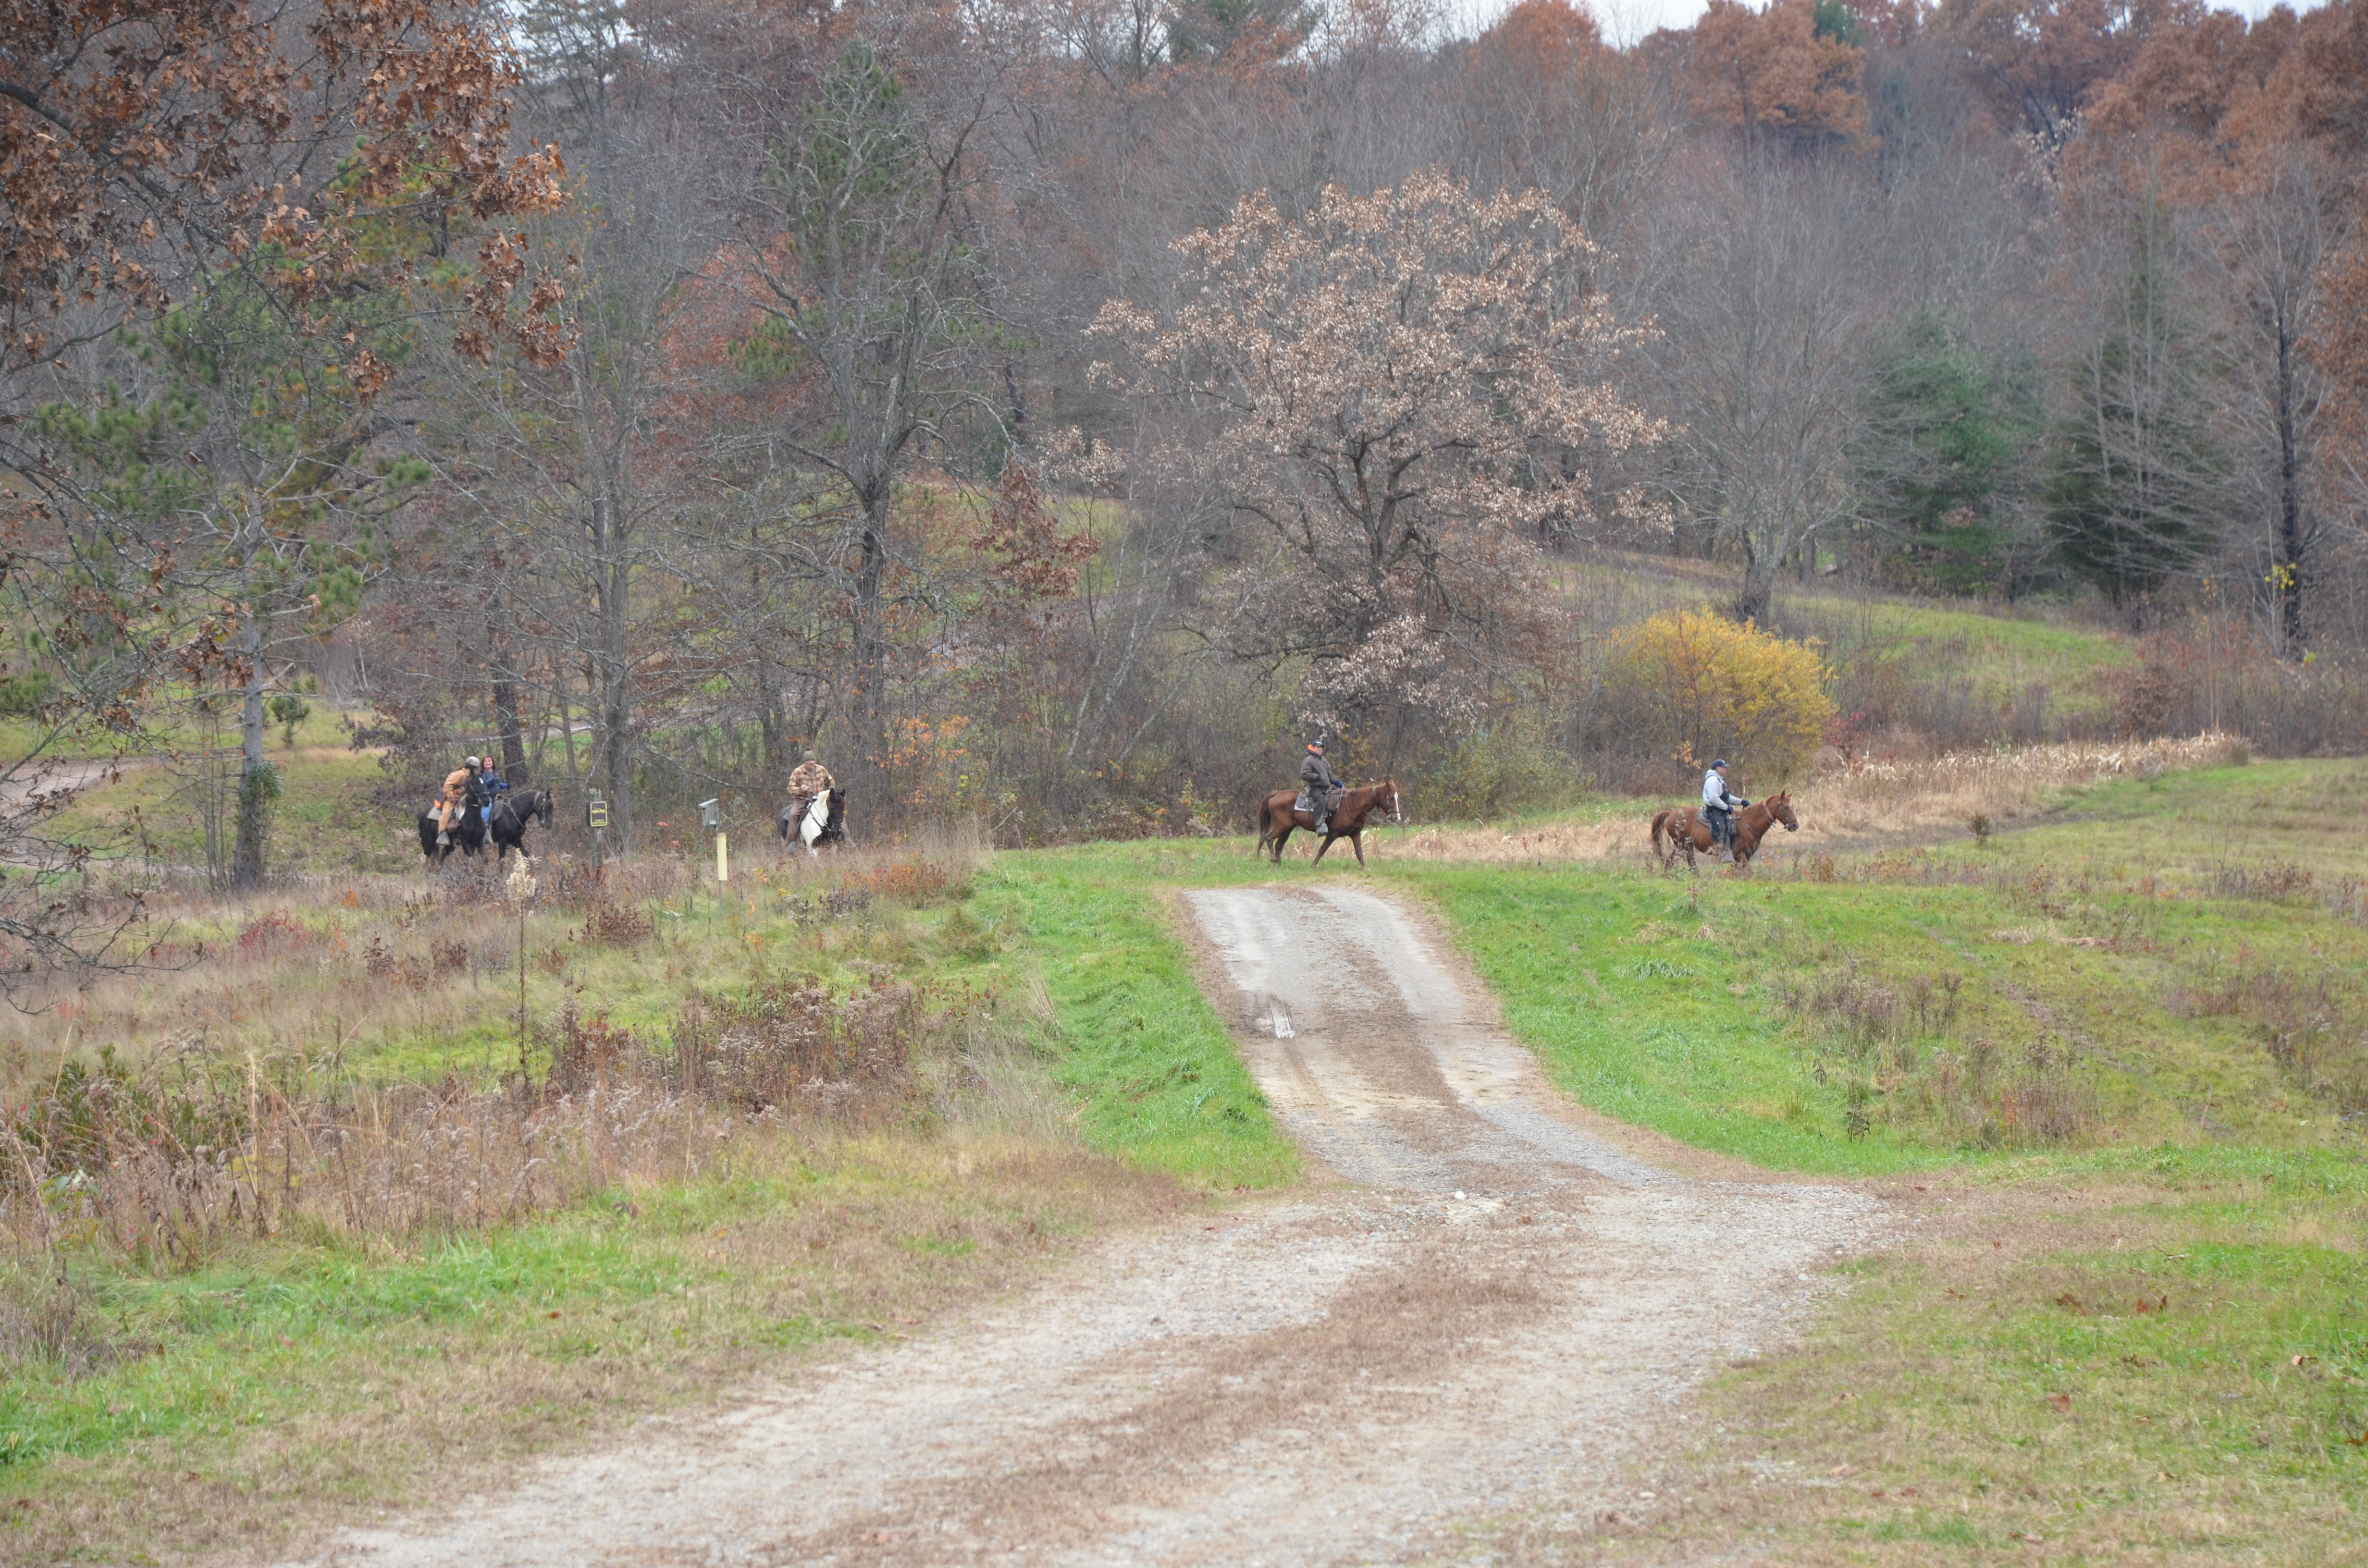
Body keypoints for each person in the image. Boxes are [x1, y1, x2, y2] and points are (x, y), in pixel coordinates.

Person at [1701, 759, 1749, 862]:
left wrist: (1742, 802)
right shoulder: (1713, 781)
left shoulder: (1720, 780)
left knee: (1732, 827)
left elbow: (1728, 798)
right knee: (1721, 828)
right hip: (1714, 810)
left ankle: (1731, 851)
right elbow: (1714, 799)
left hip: (1721, 808)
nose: (1726, 769)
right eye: (1724, 767)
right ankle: (1720, 852)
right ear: (1718, 769)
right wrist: (1727, 808)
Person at [787, 751, 836, 844]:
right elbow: (790, 788)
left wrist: (830, 794)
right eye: (810, 760)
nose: (812, 763)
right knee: (793, 815)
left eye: (813, 760)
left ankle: (847, 838)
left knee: (837, 812)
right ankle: (791, 843)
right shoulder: (798, 772)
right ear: (805, 762)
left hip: (820, 800)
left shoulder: (822, 770)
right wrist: (801, 789)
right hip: (803, 800)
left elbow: (831, 782)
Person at [1300, 738, 1341, 836]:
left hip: (1327, 787)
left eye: (1321, 748)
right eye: (1318, 747)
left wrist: (1336, 782)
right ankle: (1319, 825)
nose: (1320, 749)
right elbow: (1304, 774)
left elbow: (1329, 774)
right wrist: (1317, 777)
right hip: (1315, 788)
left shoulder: (1324, 760)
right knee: (1321, 801)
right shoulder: (1309, 760)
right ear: (1313, 748)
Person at [436, 756, 479, 847]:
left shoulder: (472, 777)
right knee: (447, 814)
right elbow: (448, 785)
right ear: (470, 768)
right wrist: (451, 797)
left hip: (463, 799)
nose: (475, 770)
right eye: (474, 768)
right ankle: (442, 834)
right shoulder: (460, 774)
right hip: (452, 799)